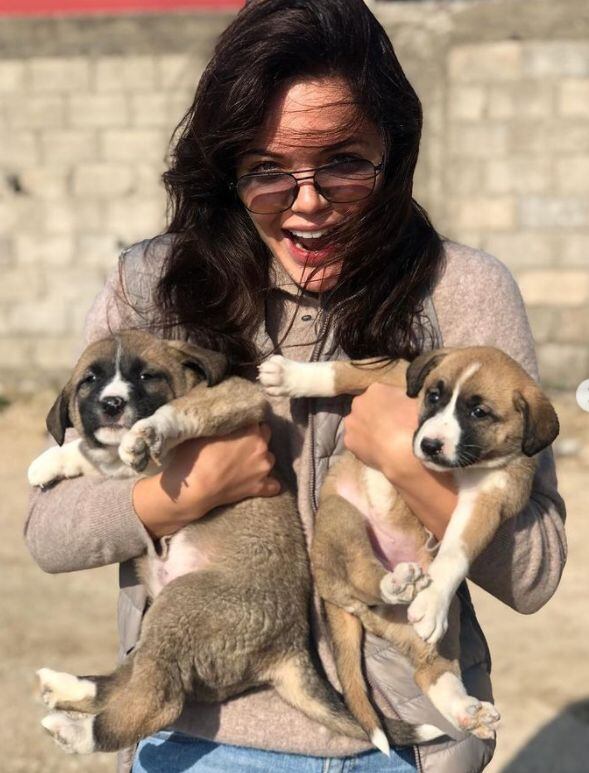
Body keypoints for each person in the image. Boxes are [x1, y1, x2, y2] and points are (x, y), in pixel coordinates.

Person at [25, 1, 566, 772]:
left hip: (405, 744)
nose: (307, 201)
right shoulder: (153, 289)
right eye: (267, 170)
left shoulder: (461, 293)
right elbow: (47, 531)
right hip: (196, 734)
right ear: (226, 167)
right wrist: (181, 492)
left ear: (394, 149)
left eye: (344, 160)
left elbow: (537, 570)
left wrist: (411, 463)